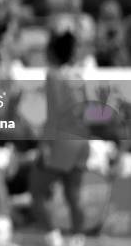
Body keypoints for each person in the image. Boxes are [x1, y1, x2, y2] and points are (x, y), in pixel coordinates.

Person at [30, 29, 89, 246]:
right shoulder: (77, 75)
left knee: (36, 189)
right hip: (81, 140)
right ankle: (78, 239)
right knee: (73, 194)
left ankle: (53, 238)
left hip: (61, 141)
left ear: (52, 52)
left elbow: (53, 114)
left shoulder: (53, 75)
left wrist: (45, 146)